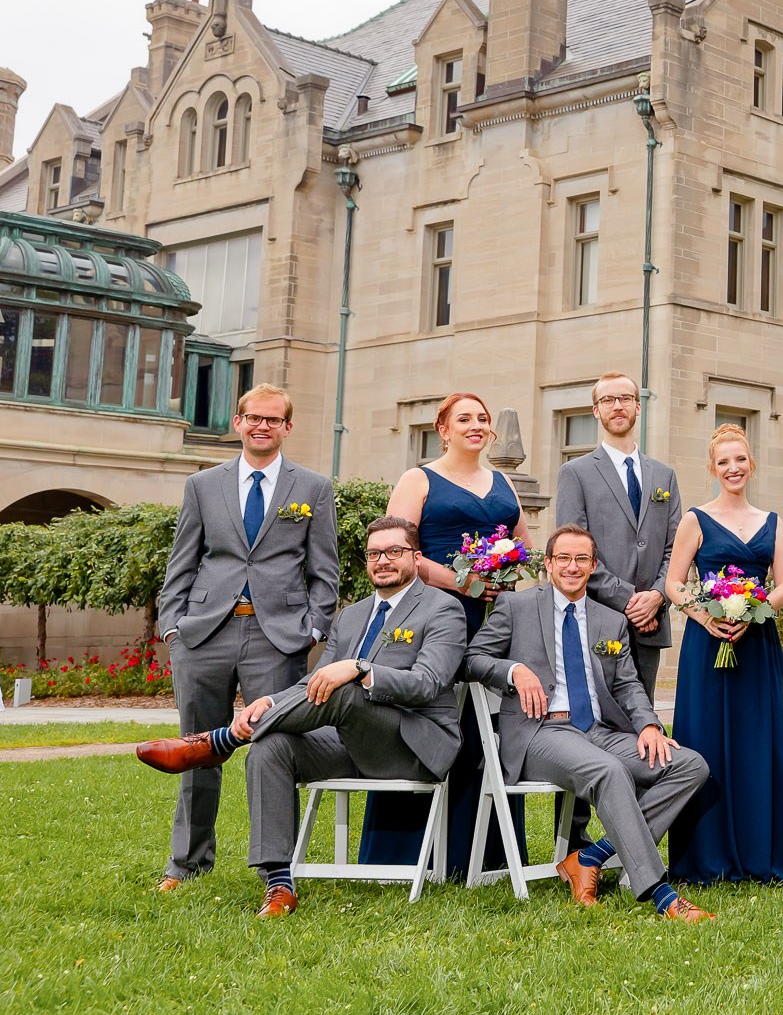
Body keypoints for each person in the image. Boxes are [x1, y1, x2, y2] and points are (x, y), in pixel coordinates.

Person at [135, 517, 466, 916]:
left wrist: (360, 668)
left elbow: (428, 683)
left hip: (411, 744)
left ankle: (220, 742)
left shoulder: (443, 608)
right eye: (374, 553)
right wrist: (271, 703)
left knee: (344, 687)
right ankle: (278, 883)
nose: (383, 561)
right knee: (271, 747)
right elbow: (315, 680)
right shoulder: (353, 616)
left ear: (416, 557)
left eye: (394, 552)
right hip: (350, 742)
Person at [465, 525, 714, 921]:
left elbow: (629, 683)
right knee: (610, 771)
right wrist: (514, 671)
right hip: (540, 732)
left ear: (593, 566)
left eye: (581, 559)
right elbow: (473, 658)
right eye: (563, 558)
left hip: (598, 730)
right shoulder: (518, 607)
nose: (572, 566)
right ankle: (661, 894)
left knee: (688, 765)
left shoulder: (610, 620)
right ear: (547, 564)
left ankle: (591, 856)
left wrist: (649, 725)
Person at [153, 383, 339, 892]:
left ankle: (274, 872)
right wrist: (174, 628)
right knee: (198, 748)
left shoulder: (313, 488)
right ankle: (186, 863)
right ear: (238, 422)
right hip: (203, 633)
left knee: (273, 745)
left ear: (287, 427)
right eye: (253, 417)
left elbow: (326, 571)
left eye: (273, 420)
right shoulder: (203, 485)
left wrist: (313, 630)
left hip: (277, 637)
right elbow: (182, 562)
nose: (262, 426)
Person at [366, 391, 533, 875]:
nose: (476, 425)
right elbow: (402, 553)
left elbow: (522, 546)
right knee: (431, 718)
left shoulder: (502, 481)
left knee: (490, 728)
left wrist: (506, 577)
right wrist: (464, 581)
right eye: (465, 419)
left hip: (496, 619)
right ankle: (411, 853)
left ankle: (484, 852)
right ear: (443, 429)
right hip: (435, 616)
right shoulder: (418, 479)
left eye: (483, 418)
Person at [661, 424, 783, 884]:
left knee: (756, 741)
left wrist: (754, 611)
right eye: (723, 462)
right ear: (712, 469)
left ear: (751, 463)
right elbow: (673, 583)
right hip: (708, 645)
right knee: (706, 741)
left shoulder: (772, 521)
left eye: (739, 459)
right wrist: (707, 617)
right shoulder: (695, 520)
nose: (733, 468)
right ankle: (706, 856)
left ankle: (765, 854)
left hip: (757, 643)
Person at [557, 373, 685, 698]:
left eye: (625, 399)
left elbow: (676, 549)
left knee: (644, 717)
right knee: (603, 719)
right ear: (596, 411)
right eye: (608, 400)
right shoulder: (575, 473)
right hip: (600, 616)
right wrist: (629, 600)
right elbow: (572, 552)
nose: (617, 406)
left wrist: (657, 597)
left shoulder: (664, 476)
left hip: (651, 624)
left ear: (637, 407)